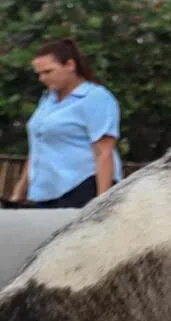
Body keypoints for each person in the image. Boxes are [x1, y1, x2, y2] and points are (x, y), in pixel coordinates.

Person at [11, 39, 123, 209]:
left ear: (70, 65)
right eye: (39, 73)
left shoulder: (96, 97)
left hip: (82, 187)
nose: (42, 78)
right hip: (46, 192)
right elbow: (38, 147)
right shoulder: (48, 100)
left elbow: (104, 152)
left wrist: (101, 204)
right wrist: (19, 191)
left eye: (48, 71)